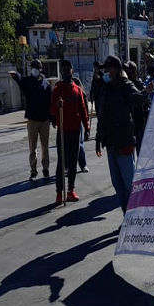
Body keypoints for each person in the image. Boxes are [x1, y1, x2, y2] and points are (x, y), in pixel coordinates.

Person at [95, 55, 149, 214]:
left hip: (124, 142)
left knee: (129, 183)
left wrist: (147, 91)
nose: (106, 72)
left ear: (116, 70)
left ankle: (136, 215)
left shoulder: (126, 85)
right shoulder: (105, 89)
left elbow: (139, 99)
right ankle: (127, 214)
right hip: (110, 143)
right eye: (105, 69)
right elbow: (101, 116)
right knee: (117, 183)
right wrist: (98, 138)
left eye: (108, 69)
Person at [50, 60, 89, 205]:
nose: (66, 73)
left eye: (68, 70)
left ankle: (71, 190)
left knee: (73, 162)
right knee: (62, 162)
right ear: (62, 72)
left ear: (72, 72)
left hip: (75, 131)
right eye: (64, 70)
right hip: (63, 131)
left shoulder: (77, 90)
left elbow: (83, 109)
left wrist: (86, 126)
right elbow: (52, 110)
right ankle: (59, 192)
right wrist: (57, 106)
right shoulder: (57, 89)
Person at [10, 59, 52, 180]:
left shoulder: (46, 85)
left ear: (40, 69)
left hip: (44, 120)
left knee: (45, 146)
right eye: (32, 67)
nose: (34, 70)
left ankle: (46, 168)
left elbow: (50, 102)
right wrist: (15, 75)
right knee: (32, 147)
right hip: (32, 119)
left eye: (36, 68)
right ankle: (33, 171)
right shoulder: (28, 81)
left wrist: (52, 118)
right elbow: (20, 79)